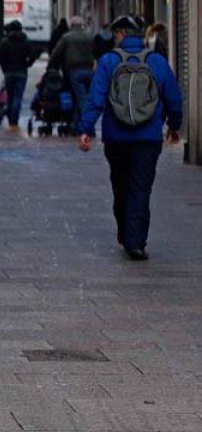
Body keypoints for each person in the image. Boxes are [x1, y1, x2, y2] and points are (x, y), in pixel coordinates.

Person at [78, 15, 183, 261]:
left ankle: (126, 234)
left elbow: (95, 98)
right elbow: (173, 98)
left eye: (116, 34)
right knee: (140, 187)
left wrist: (86, 129)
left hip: (116, 138)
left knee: (120, 185)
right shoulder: (157, 61)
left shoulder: (108, 61)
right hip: (148, 138)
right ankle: (135, 241)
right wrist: (174, 126)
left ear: (122, 34)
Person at [50, 16, 95, 132]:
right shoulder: (89, 37)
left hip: (75, 70)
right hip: (89, 70)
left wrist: (51, 65)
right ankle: (76, 125)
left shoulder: (67, 37)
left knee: (80, 99)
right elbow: (95, 52)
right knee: (83, 98)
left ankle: (86, 126)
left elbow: (56, 53)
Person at [0, 21, 38, 132]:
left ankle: (11, 120)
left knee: (10, 97)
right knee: (17, 97)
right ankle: (14, 121)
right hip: (21, 72)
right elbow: (33, 55)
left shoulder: (5, 41)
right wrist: (27, 64)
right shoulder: (26, 41)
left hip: (9, 73)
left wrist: (5, 68)